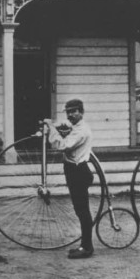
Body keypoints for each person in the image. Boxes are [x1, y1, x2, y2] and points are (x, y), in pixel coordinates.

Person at [44, 98, 94, 259]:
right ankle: (85, 244)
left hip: (78, 172)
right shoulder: (76, 127)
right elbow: (66, 128)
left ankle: (87, 247)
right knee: (80, 209)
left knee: (82, 210)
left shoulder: (81, 130)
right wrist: (55, 125)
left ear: (81, 112)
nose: (71, 115)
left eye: (74, 111)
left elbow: (62, 146)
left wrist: (51, 128)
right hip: (73, 170)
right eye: (68, 112)